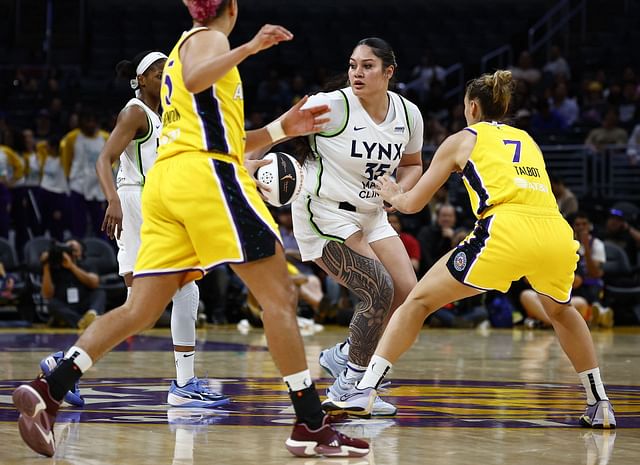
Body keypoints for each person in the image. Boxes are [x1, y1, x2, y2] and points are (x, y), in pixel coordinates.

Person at [12, 0, 368, 459]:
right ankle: (311, 425)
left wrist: (284, 127)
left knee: (140, 308)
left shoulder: (182, 51)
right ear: (232, 8)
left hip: (168, 183)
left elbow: (226, 137)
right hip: (205, 180)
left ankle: (51, 386)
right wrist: (250, 46)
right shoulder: (209, 40)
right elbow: (204, 83)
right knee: (280, 298)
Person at [324, 70, 616, 430]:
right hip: (556, 231)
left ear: (472, 107)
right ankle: (599, 402)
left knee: (418, 301)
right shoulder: (527, 139)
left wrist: (392, 194)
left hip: (506, 228)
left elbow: (413, 204)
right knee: (562, 311)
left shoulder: (462, 139)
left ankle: (363, 389)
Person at [291, 37, 423, 416]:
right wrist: (252, 168)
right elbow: (276, 130)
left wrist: (399, 189)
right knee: (378, 288)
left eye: (367, 66)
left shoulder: (408, 114)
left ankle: (345, 356)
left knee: (406, 293)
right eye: (352, 65)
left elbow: (413, 163)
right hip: (324, 211)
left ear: (389, 72)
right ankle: (352, 382)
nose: (356, 73)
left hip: (371, 214)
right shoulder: (329, 105)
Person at [96, 50, 227, 407]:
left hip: (161, 204)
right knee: (146, 305)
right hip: (137, 201)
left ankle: (67, 369)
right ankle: (66, 369)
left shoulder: (170, 114)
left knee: (157, 301)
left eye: (167, 71)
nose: (164, 77)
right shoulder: (135, 113)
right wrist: (113, 200)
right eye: (156, 73)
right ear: (139, 80)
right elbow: (104, 158)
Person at [60, 109, 109, 238]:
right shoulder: (72, 138)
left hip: (98, 188)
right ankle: (77, 249)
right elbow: (66, 161)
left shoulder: (105, 137)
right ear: (81, 122)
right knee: (78, 224)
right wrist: (67, 183)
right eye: (87, 121)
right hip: (78, 186)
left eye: (93, 121)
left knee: (100, 224)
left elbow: (111, 161)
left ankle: (102, 250)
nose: (90, 124)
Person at [40, 239, 105, 330]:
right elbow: (47, 294)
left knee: (99, 292)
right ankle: (80, 322)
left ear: (81, 253)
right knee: (51, 304)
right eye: (68, 249)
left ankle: (92, 314)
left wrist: (71, 266)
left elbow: (94, 283)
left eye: (74, 250)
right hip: (65, 306)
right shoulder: (55, 268)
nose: (71, 253)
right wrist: (46, 266)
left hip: (84, 304)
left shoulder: (87, 264)